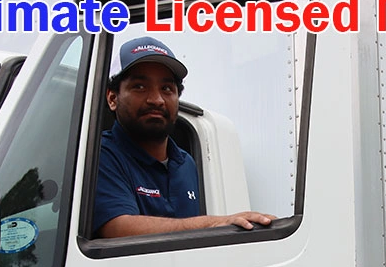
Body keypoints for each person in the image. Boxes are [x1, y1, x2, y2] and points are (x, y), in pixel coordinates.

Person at [92, 36, 276, 238]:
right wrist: (215, 224)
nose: (157, 100)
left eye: (167, 89)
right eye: (140, 87)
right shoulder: (99, 155)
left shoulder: (186, 163)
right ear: (112, 98)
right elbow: (117, 228)